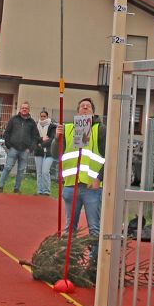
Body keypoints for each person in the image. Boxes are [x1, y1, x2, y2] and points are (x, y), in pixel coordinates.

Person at [55, 97, 105, 260]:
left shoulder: (100, 130)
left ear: (93, 112)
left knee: (94, 228)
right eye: (82, 106)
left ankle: (94, 263)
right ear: (78, 111)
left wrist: (99, 177)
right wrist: (57, 138)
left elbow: (109, 156)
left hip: (92, 187)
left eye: (88, 107)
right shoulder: (69, 129)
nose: (85, 108)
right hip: (71, 185)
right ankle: (69, 260)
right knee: (70, 228)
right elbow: (56, 154)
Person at [0, 100, 37, 193]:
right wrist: (9, 145)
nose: (24, 110)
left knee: (21, 170)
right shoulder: (13, 119)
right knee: (7, 167)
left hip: (25, 151)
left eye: (26, 108)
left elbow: (35, 137)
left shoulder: (32, 122)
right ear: (20, 109)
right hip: (13, 149)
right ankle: (0, 186)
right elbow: (7, 132)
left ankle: (16, 189)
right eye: (23, 108)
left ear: (29, 110)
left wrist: (30, 149)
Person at [32, 108, 57, 196]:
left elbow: (52, 139)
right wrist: (42, 139)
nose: (42, 118)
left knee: (45, 171)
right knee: (39, 172)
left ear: (47, 116)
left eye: (44, 116)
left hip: (49, 152)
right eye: (41, 116)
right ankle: (40, 190)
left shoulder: (52, 126)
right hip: (38, 152)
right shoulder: (36, 126)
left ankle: (46, 191)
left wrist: (41, 144)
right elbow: (34, 138)